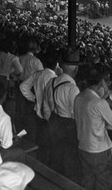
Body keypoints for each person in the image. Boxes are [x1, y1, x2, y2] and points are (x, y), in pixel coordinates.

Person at [74, 63, 112, 190]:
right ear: (102, 83)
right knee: (104, 184)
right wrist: (106, 95)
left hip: (83, 147)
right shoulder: (99, 103)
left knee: (87, 182)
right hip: (99, 151)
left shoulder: (78, 97)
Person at [42, 55, 81, 183]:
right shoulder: (73, 88)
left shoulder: (51, 82)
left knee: (55, 156)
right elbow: (75, 113)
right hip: (68, 125)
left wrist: (51, 121)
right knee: (69, 160)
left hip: (54, 121)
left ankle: (52, 182)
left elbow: (46, 107)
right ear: (75, 70)